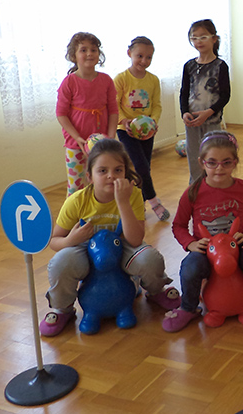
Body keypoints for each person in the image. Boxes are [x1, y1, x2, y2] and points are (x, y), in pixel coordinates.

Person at [39, 138, 181, 337]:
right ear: (90, 176)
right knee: (60, 262)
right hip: (85, 249)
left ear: (125, 173)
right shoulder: (77, 201)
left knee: (150, 258)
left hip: (122, 247)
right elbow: (54, 241)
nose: (111, 176)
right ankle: (62, 309)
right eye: (102, 170)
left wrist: (123, 202)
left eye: (118, 170)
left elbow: (135, 240)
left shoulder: (133, 195)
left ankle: (156, 291)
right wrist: (72, 239)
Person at [165, 131, 243, 332]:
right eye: (212, 163)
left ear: (235, 162)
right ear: (202, 162)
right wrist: (191, 244)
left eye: (226, 162)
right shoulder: (192, 192)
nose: (219, 168)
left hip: (236, 249)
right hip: (206, 251)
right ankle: (188, 307)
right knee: (190, 268)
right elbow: (178, 225)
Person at [56, 32, 119, 196]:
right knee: (75, 187)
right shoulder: (69, 82)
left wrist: (110, 136)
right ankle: (74, 213)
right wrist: (77, 138)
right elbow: (61, 114)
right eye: (83, 50)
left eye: (93, 50)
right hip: (75, 145)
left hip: (101, 145)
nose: (89, 53)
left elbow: (113, 111)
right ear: (74, 55)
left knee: (102, 185)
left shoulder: (106, 80)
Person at [114, 36, 169, 221]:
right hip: (126, 131)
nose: (144, 61)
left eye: (149, 57)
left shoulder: (153, 80)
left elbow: (157, 105)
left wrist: (153, 121)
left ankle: (139, 203)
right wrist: (124, 121)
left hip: (147, 131)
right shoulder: (121, 79)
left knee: (144, 168)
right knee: (140, 166)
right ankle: (154, 201)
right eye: (140, 56)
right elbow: (114, 105)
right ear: (129, 53)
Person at [180, 19, 231, 183]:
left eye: (203, 37)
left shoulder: (220, 66)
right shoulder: (189, 66)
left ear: (214, 39)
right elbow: (184, 93)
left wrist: (208, 113)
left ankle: (214, 186)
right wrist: (184, 113)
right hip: (192, 122)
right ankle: (196, 189)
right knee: (194, 157)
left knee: (213, 156)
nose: (198, 41)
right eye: (194, 38)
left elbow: (225, 96)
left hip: (212, 121)